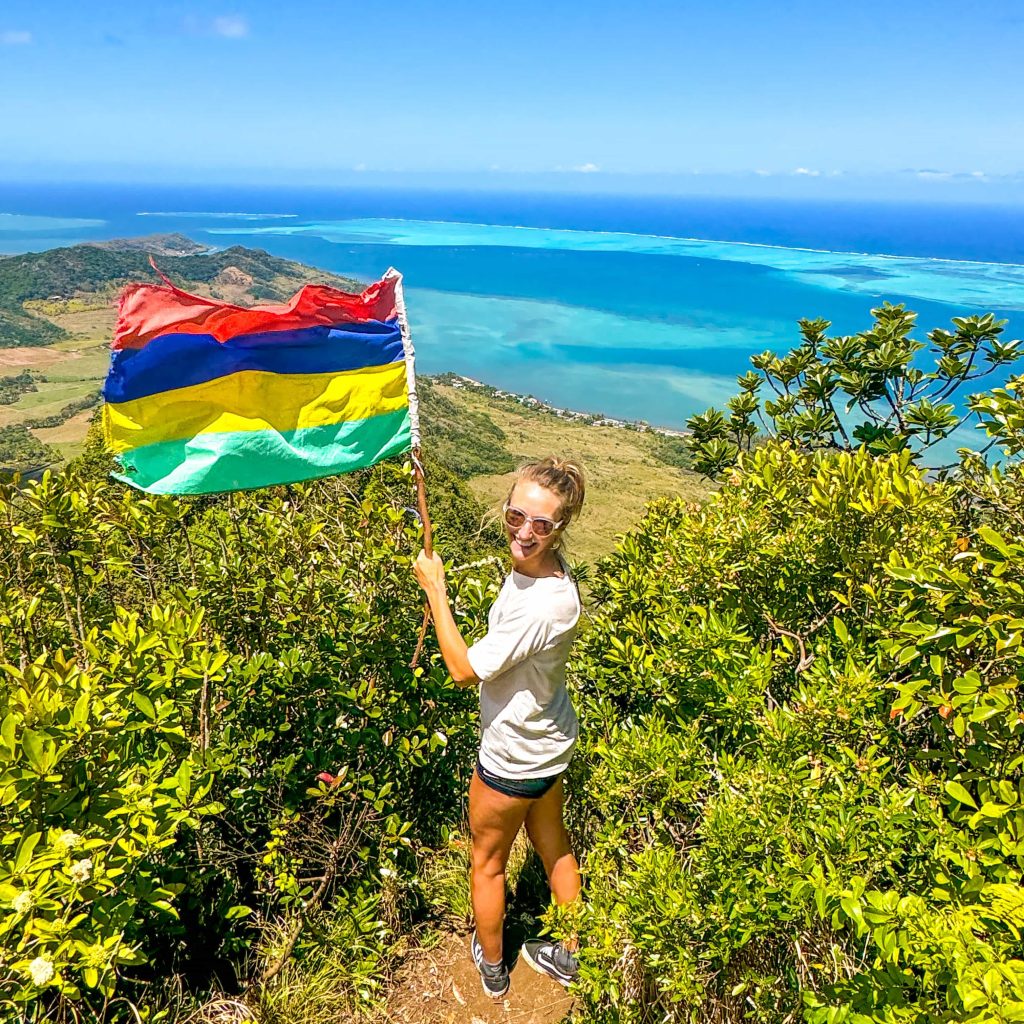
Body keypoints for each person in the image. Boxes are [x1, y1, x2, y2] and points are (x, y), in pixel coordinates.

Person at [413, 456, 586, 999]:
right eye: (517, 517)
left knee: (487, 863)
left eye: (542, 525)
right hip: (549, 744)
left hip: (513, 757)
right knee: (553, 846)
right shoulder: (546, 575)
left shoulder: (543, 607)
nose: (525, 532)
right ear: (506, 508)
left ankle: (491, 967)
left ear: (562, 527)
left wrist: (435, 591)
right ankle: (572, 952)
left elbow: (464, 670)